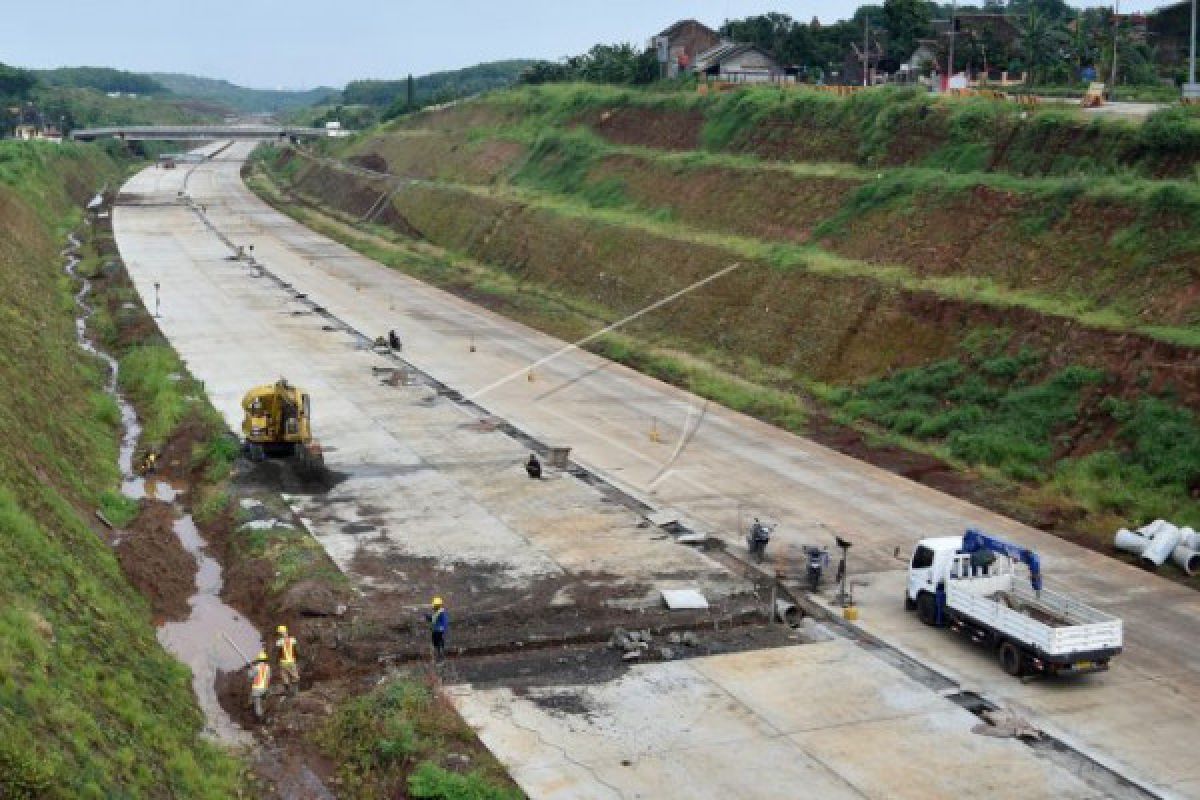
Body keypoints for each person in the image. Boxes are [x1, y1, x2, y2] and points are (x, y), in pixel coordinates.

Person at [275, 625, 299, 696]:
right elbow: (295, 649)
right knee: (295, 676)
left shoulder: (279, 642)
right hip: (292, 661)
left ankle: (288, 691)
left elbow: (278, 651)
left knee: (285, 677)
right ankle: (295, 692)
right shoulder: (293, 640)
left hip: (283, 662)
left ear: (280, 633)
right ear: (286, 631)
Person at [247, 651, 271, 722]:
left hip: (257, 689)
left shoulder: (256, 667)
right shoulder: (268, 668)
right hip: (265, 689)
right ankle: (253, 708)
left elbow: (250, 676)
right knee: (260, 702)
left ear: (258, 660)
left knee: (257, 706)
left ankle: (261, 719)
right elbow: (269, 677)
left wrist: (250, 669)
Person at [427, 597, 449, 661]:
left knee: (436, 642)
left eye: (434, 605)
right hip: (438, 630)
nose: (433, 607)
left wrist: (428, 618)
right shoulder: (440, 612)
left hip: (437, 631)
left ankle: (439, 655)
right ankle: (440, 653)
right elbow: (434, 619)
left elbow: (434, 619)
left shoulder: (440, 613)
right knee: (439, 641)